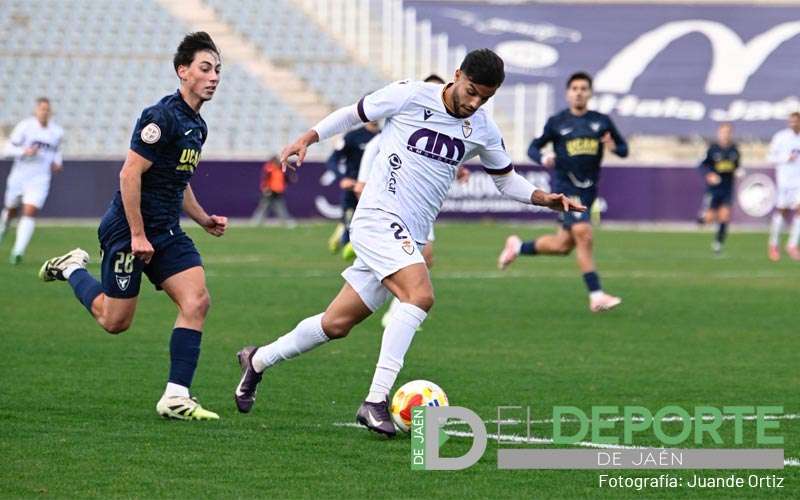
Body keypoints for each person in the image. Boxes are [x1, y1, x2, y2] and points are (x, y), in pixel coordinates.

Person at [233, 49, 584, 437]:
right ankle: (375, 400)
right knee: (420, 296)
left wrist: (543, 198)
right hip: (377, 218)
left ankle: (258, 359)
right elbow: (354, 112)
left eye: (485, 97)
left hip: (409, 234)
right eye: (471, 91)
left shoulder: (482, 127)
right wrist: (307, 138)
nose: (474, 102)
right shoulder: (410, 95)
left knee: (336, 323)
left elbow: (505, 179)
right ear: (457, 75)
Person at [38, 32, 227, 420]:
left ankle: (176, 396)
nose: (214, 77)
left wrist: (203, 218)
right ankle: (73, 267)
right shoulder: (160, 116)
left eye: (218, 70)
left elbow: (179, 179)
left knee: (197, 301)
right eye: (205, 68)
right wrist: (138, 234)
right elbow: (129, 174)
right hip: (128, 229)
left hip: (166, 231)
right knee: (114, 321)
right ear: (183, 71)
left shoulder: (197, 126)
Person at [497, 71, 628, 313]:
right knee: (584, 234)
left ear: (589, 93)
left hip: (588, 189)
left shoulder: (602, 122)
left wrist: (613, 146)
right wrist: (544, 156)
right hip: (565, 187)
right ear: (568, 93)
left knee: (562, 245)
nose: (579, 92)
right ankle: (597, 295)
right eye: (575, 88)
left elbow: (623, 149)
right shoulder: (557, 122)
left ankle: (518, 247)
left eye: (583, 88)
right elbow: (532, 148)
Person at [354, 73, 469, 328]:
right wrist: (362, 181)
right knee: (420, 277)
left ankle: (403, 309)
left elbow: (443, 157)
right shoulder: (406, 117)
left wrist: (457, 168)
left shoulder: (449, 127)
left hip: (421, 210)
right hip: (391, 210)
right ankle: (405, 310)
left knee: (335, 324)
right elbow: (374, 148)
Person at [0, 97, 64, 264]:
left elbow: (56, 152)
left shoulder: (56, 132)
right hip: (20, 176)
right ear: (36, 110)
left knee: (30, 211)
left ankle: (17, 252)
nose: (44, 112)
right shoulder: (25, 126)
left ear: (50, 112)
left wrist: (57, 163)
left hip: (40, 179)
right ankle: (2, 230)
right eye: (41, 108)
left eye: (47, 109)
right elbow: (7, 148)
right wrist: (24, 151)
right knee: (10, 211)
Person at [325, 121, 380, 258]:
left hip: (375, 190)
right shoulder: (352, 136)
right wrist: (342, 178)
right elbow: (332, 160)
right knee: (350, 228)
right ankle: (344, 237)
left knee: (372, 225)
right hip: (352, 189)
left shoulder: (386, 135)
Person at [698, 123, 740, 254]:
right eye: (723, 132)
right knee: (709, 219)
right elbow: (702, 166)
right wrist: (709, 175)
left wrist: (737, 172)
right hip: (714, 189)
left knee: (725, 216)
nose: (725, 134)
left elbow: (736, 166)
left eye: (728, 132)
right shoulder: (713, 149)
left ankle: (718, 244)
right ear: (719, 133)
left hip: (727, 188)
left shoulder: (734, 150)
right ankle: (702, 218)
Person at [767, 112, 800, 261]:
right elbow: (769, 157)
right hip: (785, 182)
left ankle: (792, 245)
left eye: (796, 121)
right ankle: (773, 244)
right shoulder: (780, 137)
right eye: (791, 121)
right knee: (782, 212)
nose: (793, 124)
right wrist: (785, 158)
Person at [251, 155, 295, 227]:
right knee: (264, 207)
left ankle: (286, 222)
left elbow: (284, 179)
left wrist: (290, 180)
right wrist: (265, 188)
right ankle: (256, 221)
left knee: (280, 207)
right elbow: (265, 179)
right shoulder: (269, 169)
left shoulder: (280, 169)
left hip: (278, 191)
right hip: (270, 191)